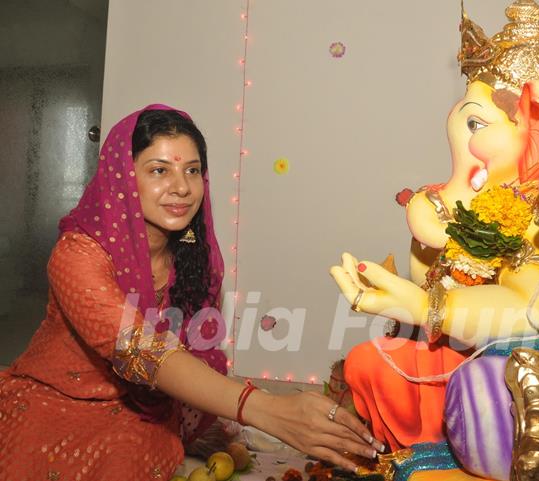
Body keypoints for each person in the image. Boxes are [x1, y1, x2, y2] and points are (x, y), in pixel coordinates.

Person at [0, 105, 382, 480]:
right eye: (159, 170)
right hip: (55, 399)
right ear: (122, 178)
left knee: (132, 450)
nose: (181, 187)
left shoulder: (195, 258)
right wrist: (266, 409)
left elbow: (194, 349)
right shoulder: (77, 253)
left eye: (193, 171)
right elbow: (141, 350)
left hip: (138, 408)